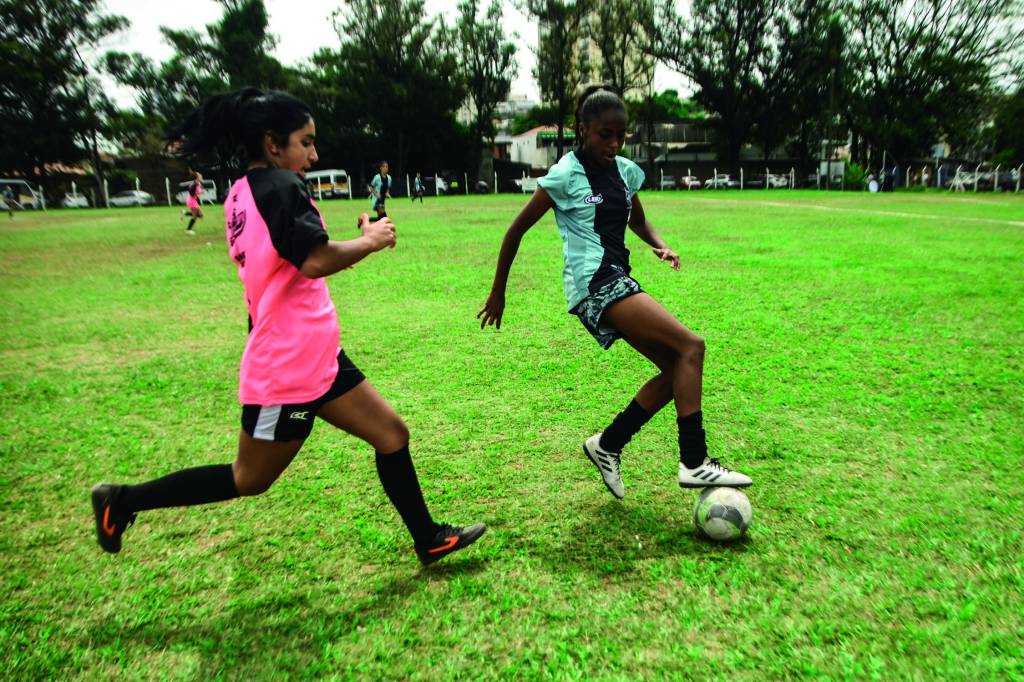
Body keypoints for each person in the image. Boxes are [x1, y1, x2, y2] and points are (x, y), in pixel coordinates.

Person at [91, 88, 485, 565]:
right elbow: (315, 259)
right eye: (306, 142)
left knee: (391, 434)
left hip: (316, 355)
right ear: (273, 143)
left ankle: (427, 538)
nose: (314, 154)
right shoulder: (280, 187)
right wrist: (375, 240)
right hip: (289, 368)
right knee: (249, 478)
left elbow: (293, 265)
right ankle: (122, 500)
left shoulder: (242, 191)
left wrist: (355, 242)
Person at [478, 85, 752, 500]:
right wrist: (499, 291)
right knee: (691, 346)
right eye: (604, 134)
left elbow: (637, 221)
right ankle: (695, 462)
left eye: (621, 135)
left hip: (617, 277)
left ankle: (607, 445)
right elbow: (515, 231)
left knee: (678, 368)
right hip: (594, 284)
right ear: (582, 129)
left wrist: (659, 244)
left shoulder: (624, 172)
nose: (614, 143)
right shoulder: (565, 175)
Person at [179, 171, 205, 235]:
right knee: (195, 216)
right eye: (200, 175)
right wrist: (198, 193)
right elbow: (191, 191)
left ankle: (184, 213)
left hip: (194, 200)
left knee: (200, 215)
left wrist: (199, 193)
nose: (201, 176)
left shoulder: (197, 183)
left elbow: (195, 191)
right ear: (197, 178)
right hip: (192, 201)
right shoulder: (195, 184)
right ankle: (188, 230)